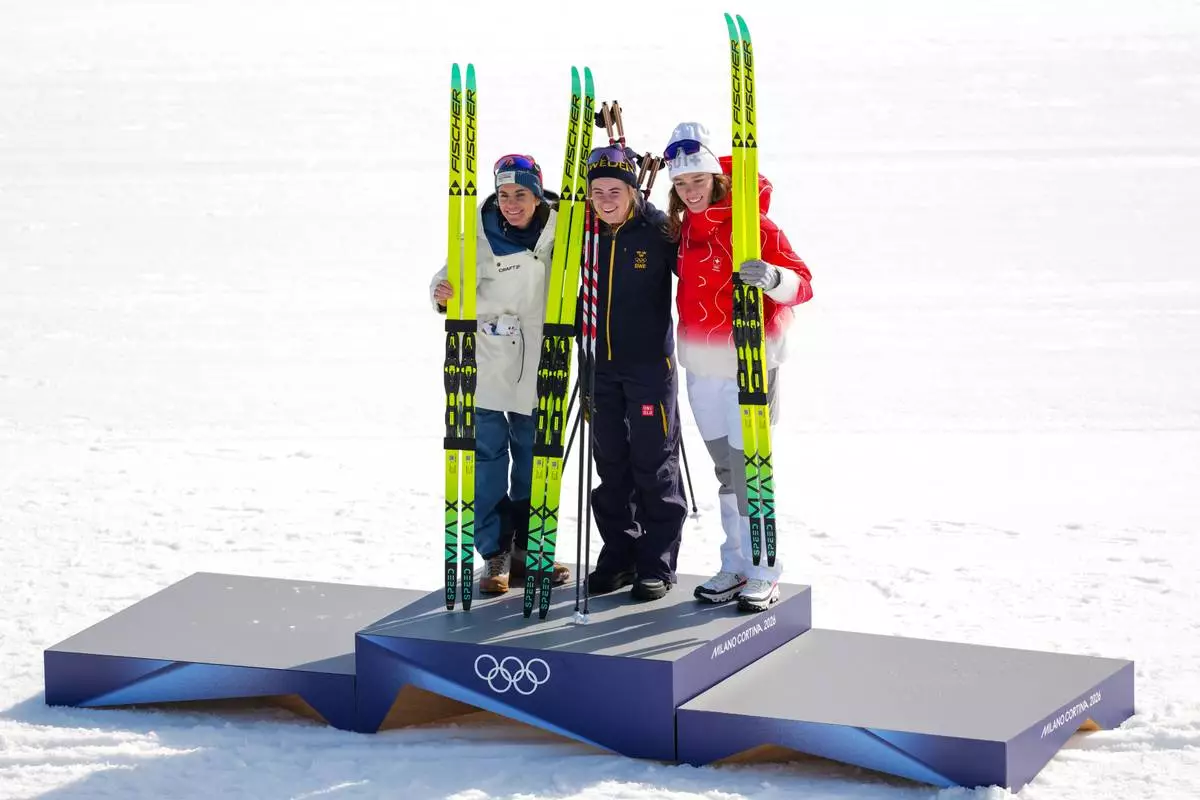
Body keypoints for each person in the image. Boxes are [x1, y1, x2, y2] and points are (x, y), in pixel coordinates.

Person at [662, 121, 814, 612]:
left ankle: (765, 569)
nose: (690, 193)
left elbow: (804, 283)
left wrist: (773, 277)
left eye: (698, 182)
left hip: (749, 361)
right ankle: (736, 563)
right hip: (701, 367)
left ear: (716, 178)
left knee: (753, 469)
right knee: (726, 471)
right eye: (681, 185)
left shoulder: (754, 224)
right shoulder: (683, 229)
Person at [430, 154, 571, 595]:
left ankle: (531, 550)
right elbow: (449, 276)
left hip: (541, 360)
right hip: (488, 360)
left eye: (521, 195)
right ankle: (494, 552)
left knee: (535, 459)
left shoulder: (561, 229)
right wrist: (441, 292)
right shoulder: (478, 230)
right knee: (487, 460)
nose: (512, 203)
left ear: (537, 194)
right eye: (505, 194)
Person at [582, 145, 688, 601]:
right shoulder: (579, 233)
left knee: (653, 463)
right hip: (597, 367)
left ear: (632, 191)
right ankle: (619, 554)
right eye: (597, 191)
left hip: (648, 368)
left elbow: (702, 258)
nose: (605, 200)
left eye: (615, 191)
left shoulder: (657, 230)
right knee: (610, 466)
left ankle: (656, 562)